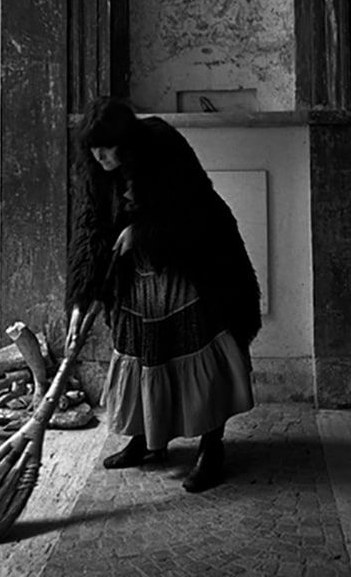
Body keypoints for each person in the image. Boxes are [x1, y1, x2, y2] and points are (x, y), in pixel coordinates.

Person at [66, 96, 261, 493]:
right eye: (93, 147)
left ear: (125, 141)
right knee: (143, 351)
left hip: (191, 264)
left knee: (199, 347)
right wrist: (82, 298)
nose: (99, 155)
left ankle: (212, 446)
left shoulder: (162, 143)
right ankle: (148, 440)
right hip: (138, 279)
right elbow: (90, 226)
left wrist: (143, 231)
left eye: (106, 146)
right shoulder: (96, 167)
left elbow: (194, 207)